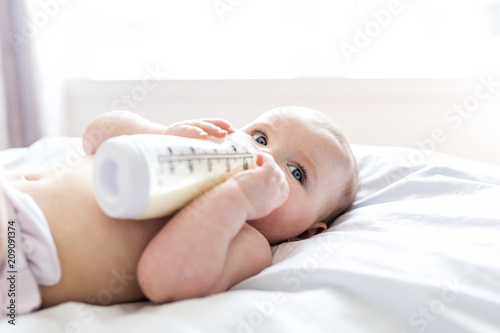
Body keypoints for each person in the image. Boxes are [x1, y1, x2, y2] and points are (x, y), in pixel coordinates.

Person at [0, 106, 358, 315]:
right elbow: (95, 136)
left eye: (296, 173)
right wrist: (159, 132)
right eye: (261, 137)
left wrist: (237, 198)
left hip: (23, 246)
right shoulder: (184, 150)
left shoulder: (248, 241)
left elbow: (164, 281)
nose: (263, 157)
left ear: (307, 232)